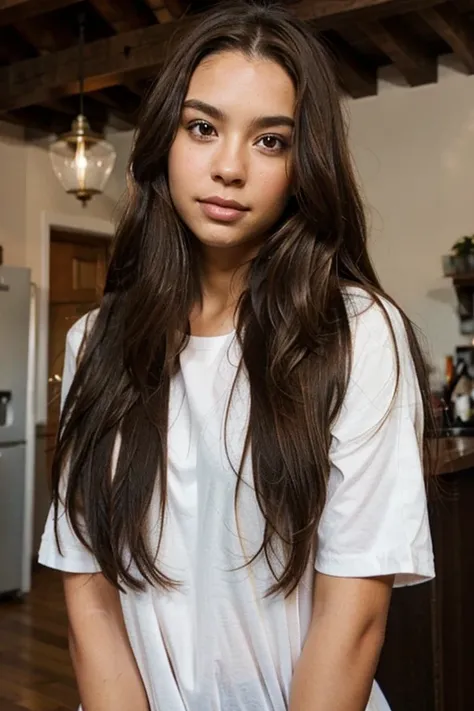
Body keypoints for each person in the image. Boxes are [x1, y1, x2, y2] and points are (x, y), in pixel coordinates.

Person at [38, 2, 435, 710]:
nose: (229, 167)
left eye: (271, 141)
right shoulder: (95, 342)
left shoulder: (356, 333)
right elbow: (89, 593)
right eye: (203, 127)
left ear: (302, 163)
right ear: (166, 139)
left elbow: (354, 616)